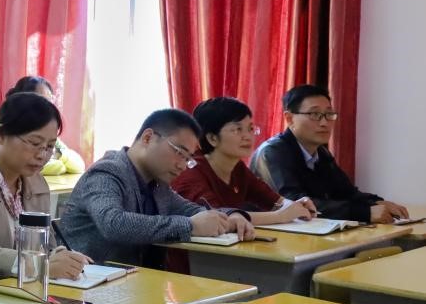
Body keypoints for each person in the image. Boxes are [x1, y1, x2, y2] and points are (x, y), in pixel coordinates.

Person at [60, 109, 255, 268]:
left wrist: (231, 216)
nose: (182, 165)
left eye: (188, 159)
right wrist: (190, 226)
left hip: (136, 287)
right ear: (148, 137)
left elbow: (191, 210)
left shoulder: (157, 184)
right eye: (179, 152)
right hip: (89, 288)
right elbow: (113, 223)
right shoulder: (107, 172)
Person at [0, 93, 91, 280]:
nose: (42, 155)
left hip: (28, 290)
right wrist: (34, 265)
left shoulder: (37, 183)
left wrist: (61, 256)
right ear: (1, 135)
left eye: (49, 147)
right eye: (35, 143)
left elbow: (47, 246)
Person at [251, 85, 410, 224]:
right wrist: (363, 212)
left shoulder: (321, 152)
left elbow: (346, 192)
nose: (324, 123)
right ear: (289, 118)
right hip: (266, 236)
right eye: (314, 115)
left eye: (329, 114)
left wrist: (376, 203)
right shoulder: (272, 152)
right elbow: (295, 203)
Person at [173, 97, 319, 225]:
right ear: (212, 138)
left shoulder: (237, 167)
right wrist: (280, 216)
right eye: (237, 129)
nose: (248, 136)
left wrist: (294, 205)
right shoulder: (189, 170)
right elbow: (218, 217)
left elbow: (272, 199)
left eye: (250, 129)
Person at [6, 75, 85, 175]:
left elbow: (78, 165)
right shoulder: (10, 126)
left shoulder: (46, 130)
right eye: (42, 101)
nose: (48, 107)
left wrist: (58, 155)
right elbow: (24, 164)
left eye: (50, 101)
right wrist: (59, 164)